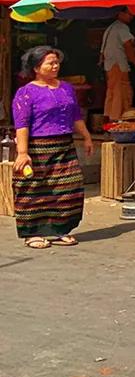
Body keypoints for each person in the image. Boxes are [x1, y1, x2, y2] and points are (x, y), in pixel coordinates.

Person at [12, 46, 94, 249]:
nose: (55, 66)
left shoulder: (66, 88)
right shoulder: (26, 93)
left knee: (69, 186)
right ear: (37, 67)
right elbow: (22, 124)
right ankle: (33, 233)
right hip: (38, 148)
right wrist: (23, 153)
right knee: (33, 190)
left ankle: (59, 230)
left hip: (64, 145)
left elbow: (75, 116)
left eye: (56, 62)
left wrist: (86, 137)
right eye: (50, 62)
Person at [101, 9, 135, 121]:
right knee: (121, 91)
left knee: (112, 91)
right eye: (129, 14)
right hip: (118, 64)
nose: (131, 17)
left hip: (110, 64)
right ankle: (118, 118)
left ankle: (109, 116)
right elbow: (128, 46)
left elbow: (102, 52)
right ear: (120, 14)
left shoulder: (110, 28)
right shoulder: (121, 27)